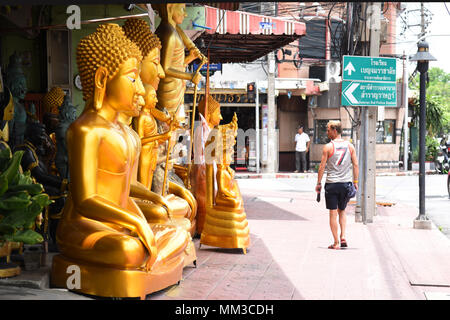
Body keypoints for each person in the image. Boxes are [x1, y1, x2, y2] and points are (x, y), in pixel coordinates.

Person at [315, 120, 359, 250]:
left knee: (333, 213)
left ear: (335, 130)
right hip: (345, 184)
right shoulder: (350, 147)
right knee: (342, 211)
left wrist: (318, 183)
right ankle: (343, 235)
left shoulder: (328, 147)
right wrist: (355, 182)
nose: (327, 132)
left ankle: (336, 242)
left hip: (332, 184)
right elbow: (355, 164)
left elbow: (322, 166)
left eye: (328, 130)